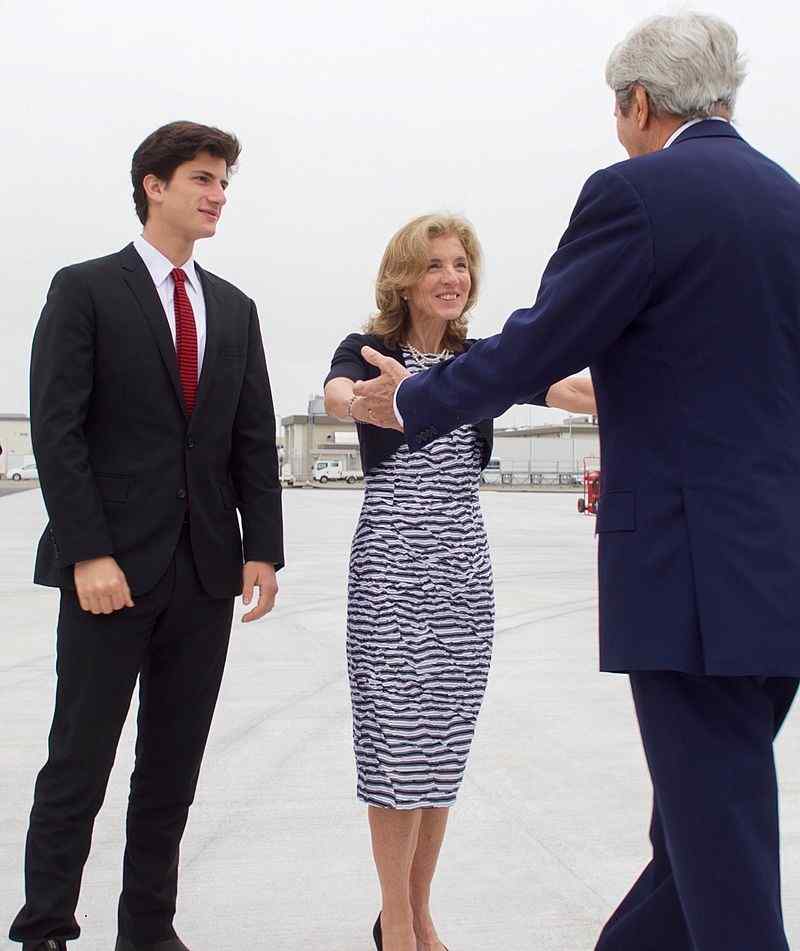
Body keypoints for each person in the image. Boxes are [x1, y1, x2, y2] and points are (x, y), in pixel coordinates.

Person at [352, 14, 800, 951]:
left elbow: (542, 339)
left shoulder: (639, 195)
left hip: (694, 582)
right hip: (780, 576)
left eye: (617, 109)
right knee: (699, 832)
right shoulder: (785, 198)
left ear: (638, 102)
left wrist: (418, 400)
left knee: (722, 859)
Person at [10, 121, 284, 951]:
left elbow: (249, 437)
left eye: (225, 182)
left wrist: (261, 547)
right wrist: (88, 550)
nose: (218, 195)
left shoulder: (234, 307)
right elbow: (57, 430)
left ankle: (148, 929)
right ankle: (46, 927)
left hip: (204, 575)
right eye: (203, 178)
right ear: (153, 185)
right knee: (79, 761)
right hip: (111, 571)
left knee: (170, 770)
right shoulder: (86, 289)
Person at [325, 214, 594, 951]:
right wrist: (370, 402)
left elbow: (566, 390)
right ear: (404, 277)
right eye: (435, 264)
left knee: (441, 747)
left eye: (461, 264)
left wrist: (644, 386)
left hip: (462, 574)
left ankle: (414, 911)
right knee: (395, 746)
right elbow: (336, 395)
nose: (452, 277)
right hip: (391, 567)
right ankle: (399, 922)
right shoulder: (368, 349)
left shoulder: (482, 360)